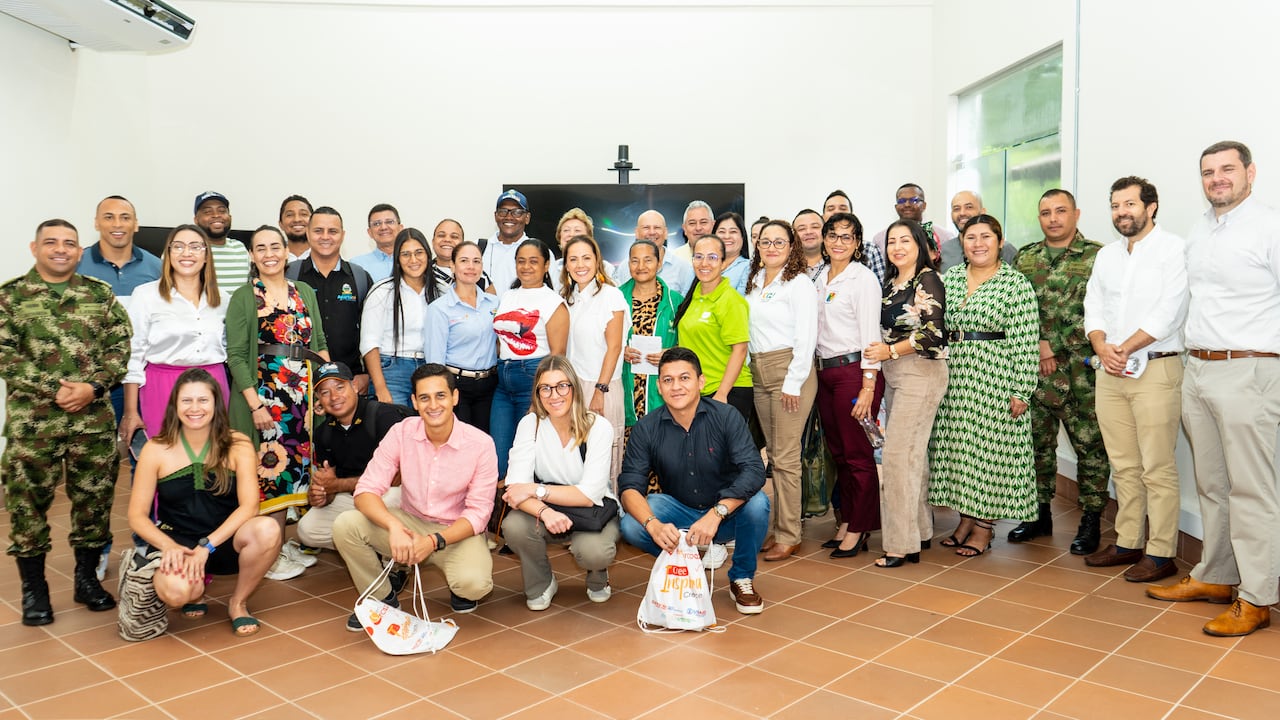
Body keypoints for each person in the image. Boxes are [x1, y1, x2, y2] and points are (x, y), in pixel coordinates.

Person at [1148, 140, 1280, 637]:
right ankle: (1217, 576)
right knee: (1213, 484)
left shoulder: (1270, 226)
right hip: (1199, 367)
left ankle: (1258, 596)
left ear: (1250, 173)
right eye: (1208, 172)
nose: (1217, 178)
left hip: (1250, 369)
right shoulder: (1203, 228)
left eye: (1227, 169)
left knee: (1252, 489)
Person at [2, 218, 131, 626]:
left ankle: (85, 580)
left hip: (91, 420)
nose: (61, 249)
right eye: (52, 242)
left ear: (79, 250)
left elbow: (121, 345)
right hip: (32, 424)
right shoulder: (11, 298)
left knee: (94, 502)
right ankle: (34, 589)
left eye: (70, 243)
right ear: (34, 247)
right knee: (27, 506)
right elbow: (5, 354)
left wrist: (92, 386)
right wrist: (53, 388)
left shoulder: (99, 294)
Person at [333, 363, 497, 625]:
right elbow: (366, 490)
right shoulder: (401, 432)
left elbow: (479, 514)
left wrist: (433, 541)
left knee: (474, 585)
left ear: (455, 397)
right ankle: (382, 598)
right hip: (410, 524)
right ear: (414, 402)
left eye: (441, 395)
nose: (433, 405)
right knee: (346, 525)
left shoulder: (480, 444)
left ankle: (456, 586)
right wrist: (394, 527)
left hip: (455, 531)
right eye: (424, 397)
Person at [1082, 176, 1187, 582]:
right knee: (1123, 463)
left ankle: (1161, 552)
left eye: (1129, 204)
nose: (1121, 212)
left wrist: (1123, 346)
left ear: (1151, 206)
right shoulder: (1107, 255)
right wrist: (1100, 344)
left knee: (1156, 466)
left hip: (1156, 367)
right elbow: (1094, 303)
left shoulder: (1174, 249)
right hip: (1110, 368)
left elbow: (1170, 311)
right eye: (1115, 205)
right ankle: (1128, 541)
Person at [128, 368, 280, 636]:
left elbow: (249, 507)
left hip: (224, 541)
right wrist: (168, 546)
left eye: (203, 400)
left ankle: (238, 603)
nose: (194, 408)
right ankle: (194, 593)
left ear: (216, 404)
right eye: (187, 401)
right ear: (175, 405)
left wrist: (206, 546)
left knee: (268, 529)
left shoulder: (238, 444)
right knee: (177, 594)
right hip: (178, 543)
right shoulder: (155, 449)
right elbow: (137, 516)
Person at [618, 347, 770, 615]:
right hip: (682, 513)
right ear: (660, 387)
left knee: (758, 503)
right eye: (668, 380)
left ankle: (741, 578)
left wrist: (718, 512)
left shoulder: (726, 417)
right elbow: (630, 486)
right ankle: (689, 564)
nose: (676, 387)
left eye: (684, 378)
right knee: (633, 523)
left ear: (700, 382)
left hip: (726, 515)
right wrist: (652, 525)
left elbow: (754, 470)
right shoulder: (647, 428)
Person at [930, 215, 1038, 557]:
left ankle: (984, 527)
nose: (978, 243)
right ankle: (966, 518)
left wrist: (1022, 389)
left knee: (989, 454)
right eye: (971, 237)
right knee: (961, 453)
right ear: (961, 243)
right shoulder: (951, 278)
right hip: (954, 377)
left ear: (1000, 241)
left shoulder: (1015, 284)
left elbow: (1026, 339)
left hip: (995, 377)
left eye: (985, 237)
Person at [226, 225, 330, 581]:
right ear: (252, 256)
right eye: (261, 248)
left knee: (294, 474)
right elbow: (237, 355)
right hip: (266, 397)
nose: (269, 253)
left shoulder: (304, 291)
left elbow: (318, 340)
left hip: (302, 395)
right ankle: (266, 553)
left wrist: (324, 389)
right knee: (268, 473)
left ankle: (279, 544)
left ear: (287, 251)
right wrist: (255, 405)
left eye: (275, 246)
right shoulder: (244, 296)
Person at [1008, 189, 1109, 555]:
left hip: (1080, 372)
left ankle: (1091, 518)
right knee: (1037, 447)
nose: (1053, 218)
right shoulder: (1026, 257)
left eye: (1061, 211)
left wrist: (1052, 343)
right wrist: (1036, 345)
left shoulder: (1098, 256)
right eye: (1046, 212)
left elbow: (1101, 311)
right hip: (1034, 371)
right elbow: (1014, 307)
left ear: (1076, 214)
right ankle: (1038, 514)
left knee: (1090, 448)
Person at [861, 220, 948, 567]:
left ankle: (900, 544)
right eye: (892, 242)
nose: (897, 247)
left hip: (921, 372)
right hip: (894, 373)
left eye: (905, 241)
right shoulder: (890, 283)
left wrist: (890, 351)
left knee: (896, 458)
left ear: (920, 245)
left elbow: (933, 334)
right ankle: (921, 531)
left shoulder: (928, 280)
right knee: (913, 457)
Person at [501, 356, 620, 609]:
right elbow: (514, 490)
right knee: (514, 527)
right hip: (547, 507)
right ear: (537, 393)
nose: (554, 395)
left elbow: (588, 495)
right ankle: (541, 583)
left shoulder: (598, 426)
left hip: (592, 510)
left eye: (562, 386)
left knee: (594, 552)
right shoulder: (530, 424)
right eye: (545, 388)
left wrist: (536, 490)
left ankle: (598, 576)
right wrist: (545, 512)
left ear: (574, 388)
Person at [744, 220, 817, 562]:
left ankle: (790, 535)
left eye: (779, 242)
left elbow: (806, 336)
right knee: (773, 456)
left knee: (786, 458)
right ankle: (779, 528)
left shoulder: (799, 283)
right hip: (760, 371)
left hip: (790, 371)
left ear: (792, 247)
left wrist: (793, 381)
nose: (771, 248)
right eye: (764, 242)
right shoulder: (755, 281)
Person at [813, 212, 884, 559]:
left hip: (855, 371)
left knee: (858, 455)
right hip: (825, 373)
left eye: (847, 236)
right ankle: (848, 520)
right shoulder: (819, 278)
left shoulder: (863, 279)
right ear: (824, 240)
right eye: (833, 235)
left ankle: (860, 526)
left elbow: (872, 334)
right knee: (839, 453)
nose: (839, 242)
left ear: (857, 243)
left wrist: (868, 387)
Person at [121, 225, 229, 442]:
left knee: (212, 462)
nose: (187, 253)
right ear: (167, 254)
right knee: (166, 463)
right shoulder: (146, 296)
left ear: (206, 255)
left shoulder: (224, 299)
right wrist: (131, 411)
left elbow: (228, 347)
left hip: (213, 387)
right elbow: (133, 355)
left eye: (195, 247)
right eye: (178, 246)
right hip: (163, 387)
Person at [298, 362, 411, 551]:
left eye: (340, 387)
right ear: (318, 399)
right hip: (355, 497)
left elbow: (397, 478)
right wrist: (322, 494)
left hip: (391, 494)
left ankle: (393, 552)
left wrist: (338, 485)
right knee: (308, 530)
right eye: (325, 393)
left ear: (355, 386)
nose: (334, 397)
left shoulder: (384, 416)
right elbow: (330, 483)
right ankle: (373, 547)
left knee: (389, 498)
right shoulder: (323, 433)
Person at [491, 239, 568, 478]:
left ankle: (525, 511)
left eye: (534, 261)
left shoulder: (553, 302)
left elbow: (558, 356)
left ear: (546, 266)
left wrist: (540, 394)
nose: (526, 267)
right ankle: (500, 512)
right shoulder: (508, 296)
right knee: (499, 456)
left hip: (533, 379)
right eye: (521, 261)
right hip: (503, 382)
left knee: (527, 454)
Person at [561, 235, 628, 481]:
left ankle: (608, 512)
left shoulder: (611, 296)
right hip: (573, 388)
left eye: (586, 258)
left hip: (602, 387)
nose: (580, 265)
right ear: (566, 265)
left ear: (597, 261)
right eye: (574, 259)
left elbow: (615, 347)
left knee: (604, 461)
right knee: (575, 458)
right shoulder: (567, 298)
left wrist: (600, 390)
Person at [288, 207, 373, 396]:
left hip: (350, 382)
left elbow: (373, 331)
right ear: (308, 234)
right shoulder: (289, 275)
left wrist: (367, 374)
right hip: (297, 380)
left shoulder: (359, 277)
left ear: (342, 236)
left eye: (332, 231)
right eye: (318, 231)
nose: (325, 237)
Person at [674, 234, 754, 422]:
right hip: (698, 391)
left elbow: (740, 349)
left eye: (712, 257)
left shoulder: (731, 300)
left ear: (724, 263)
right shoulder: (692, 297)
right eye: (699, 256)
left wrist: (722, 393)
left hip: (727, 391)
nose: (704, 263)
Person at [424, 241, 500, 432]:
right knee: (460, 444)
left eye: (476, 261)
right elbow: (435, 361)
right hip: (457, 386)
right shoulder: (440, 309)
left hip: (490, 385)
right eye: (464, 261)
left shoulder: (495, 303)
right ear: (452, 265)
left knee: (485, 444)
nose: (471, 267)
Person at [361, 228, 441, 406]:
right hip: (391, 371)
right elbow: (369, 343)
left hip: (430, 369)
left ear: (428, 255)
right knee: (394, 427)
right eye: (406, 254)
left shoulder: (441, 291)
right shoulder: (382, 291)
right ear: (397, 259)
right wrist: (381, 388)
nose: (413, 260)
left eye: (419, 252)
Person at [619, 240, 684, 439]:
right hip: (626, 386)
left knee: (664, 451)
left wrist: (670, 354)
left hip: (662, 390)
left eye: (648, 260)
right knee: (632, 454)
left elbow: (687, 345)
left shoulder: (675, 301)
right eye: (634, 261)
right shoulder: (616, 298)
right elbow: (600, 341)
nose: (641, 267)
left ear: (659, 263)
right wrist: (621, 350)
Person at [614, 210, 694, 296]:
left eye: (657, 227)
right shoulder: (624, 268)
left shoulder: (684, 269)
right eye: (646, 228)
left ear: (666, 233)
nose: (652, 232)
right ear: (637, 233)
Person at [869, 183, 953, 262]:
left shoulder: (944, 236)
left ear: (924, 205)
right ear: (896, 207)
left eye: (914, 200)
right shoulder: (880, 239)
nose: (907, 204)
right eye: (901, 201)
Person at [940, 191, 1017, 272]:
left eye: (969, 207)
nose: (962, 213)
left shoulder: (1005, 250)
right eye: (956, 209)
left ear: (982, 212)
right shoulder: (942, 252)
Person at [193, 191, 251, 298]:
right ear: (196, 220)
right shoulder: (186, 251)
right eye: (207, 212)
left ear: (230, 217)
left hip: (238, 314)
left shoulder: (240, 248)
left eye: (222, 211)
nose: (216, 215)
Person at [483, 189, 534, 299]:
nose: (509, 217)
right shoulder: (479, 249)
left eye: (517, 212)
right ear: (495, 216)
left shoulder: (539, 252)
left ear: (527, 218)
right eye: (503, 211)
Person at [551, 208, 615, 290]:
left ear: (588, 237)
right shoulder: (553, 268)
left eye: (577, 230)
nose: (571, 234)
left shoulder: (606, 268)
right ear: (559, 237)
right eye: (566, 230)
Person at [430, 218, 492, 294]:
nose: (447, 240)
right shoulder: (423, 274)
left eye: (454, 237)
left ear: (462, 243)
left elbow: (492, 303)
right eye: (441, 235)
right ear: (433, 242)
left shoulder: (478, 274)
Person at [350, 203, 403, 283]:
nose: (383, 227)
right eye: (377, 224)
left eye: (389, 222)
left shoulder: (413, 262)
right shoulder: (357, 265)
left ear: (400, 228)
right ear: (370, 232)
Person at [713, 211, 752, 294]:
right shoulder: (704, 264)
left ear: (742, 237)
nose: (727, 236)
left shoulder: (749, 267)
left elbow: (740, 301)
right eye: (722, 232)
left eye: (733, 232)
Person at [669, 200, 715, 265]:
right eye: (692, 223)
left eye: (703, 222)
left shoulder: (723, 255)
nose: (698, 228)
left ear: (713, 225)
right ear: (684, 228)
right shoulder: (674, 258)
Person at [795, 209, 828, 281]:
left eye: (815, 227)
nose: (808, 232)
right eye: (801, 229)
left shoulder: (838, 264)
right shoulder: (784, 268)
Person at [278, 195, 313, 261]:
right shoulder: (273, 258)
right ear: (281, 224)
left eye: (303, 214)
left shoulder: (325, 255)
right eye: (290, 215)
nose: (297, 219)